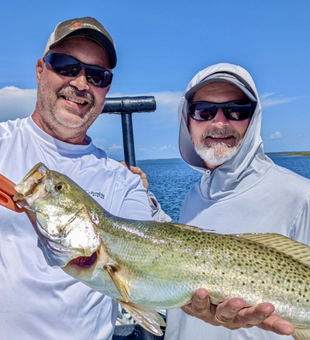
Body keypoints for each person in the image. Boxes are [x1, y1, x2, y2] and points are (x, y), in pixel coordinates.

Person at [0, 17, 153, 340]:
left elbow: (148, 263)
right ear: (41, 69)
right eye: (67, 66)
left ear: (106, 89)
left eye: (96, 75)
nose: (81, 83)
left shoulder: (123, 183)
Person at [163, 63, 310, 340]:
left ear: (253, 119)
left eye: (236, 110)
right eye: (204, 110)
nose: (219, 122)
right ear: (187, 120)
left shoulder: (301, 196)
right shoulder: (193, 197)